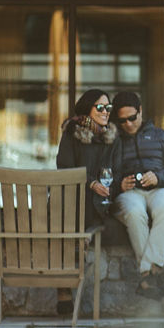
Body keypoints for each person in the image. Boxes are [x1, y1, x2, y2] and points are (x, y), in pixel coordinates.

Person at [110, 91, 164, 299]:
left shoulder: (161, 136)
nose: (128, 124)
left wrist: (159, 177)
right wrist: (119, 184)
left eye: (132, 118)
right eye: (122, 120)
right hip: (129, 192)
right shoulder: (113, 141)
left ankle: (147, 276)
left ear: (141, 111)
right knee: (134, 213)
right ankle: (151, 275)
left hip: (158, 188)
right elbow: (104, 175)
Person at [55, 88, 118, 315]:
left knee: (80, 218)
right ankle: (64, 288)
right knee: (67, 216)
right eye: (100, 107)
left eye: (108, 107)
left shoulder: (111, 137)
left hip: (97, 200)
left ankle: (67, 284)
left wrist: (105, 186)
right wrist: (90, 182)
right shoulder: (73, 132)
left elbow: (114, 170)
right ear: (87, 108)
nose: (105, 111)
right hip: (71, 196)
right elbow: (65, 167)